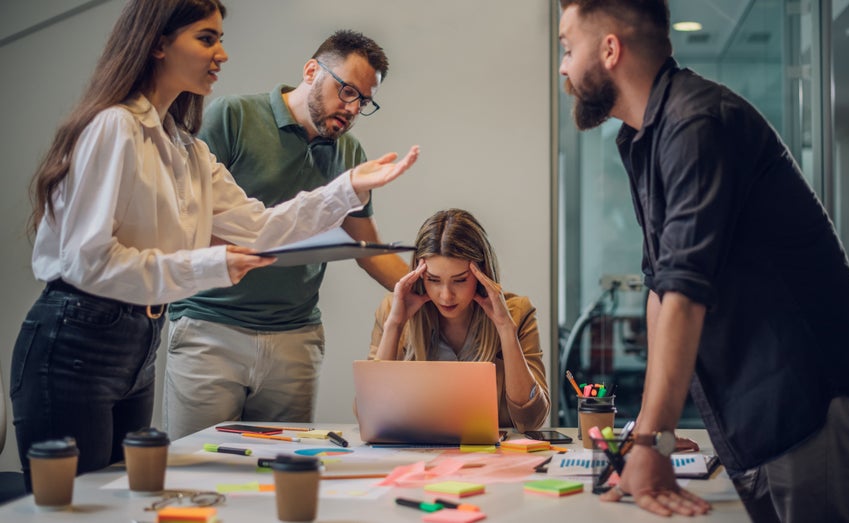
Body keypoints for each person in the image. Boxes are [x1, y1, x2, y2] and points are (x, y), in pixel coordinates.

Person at [10, 0, 418, 490]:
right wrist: (213, 265)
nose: (222, 53)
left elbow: (260, 228)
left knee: (123, 500)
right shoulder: (114, 126)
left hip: (137, 340)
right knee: (79, 505)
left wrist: (348, 186)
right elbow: (88, 262)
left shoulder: (186, 148)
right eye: (207, 39)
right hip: (76, 336)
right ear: (158, 43)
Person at [558, 1, 849, 521]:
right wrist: (652, 441)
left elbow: (686, 294)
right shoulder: (644, 137)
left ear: (609, 50)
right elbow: (661, 289)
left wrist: (651, 445)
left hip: (807, 391)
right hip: (753, 401)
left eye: (567, 47)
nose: (562, 66)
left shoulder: (697, 122)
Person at [164, 30, 409, 440]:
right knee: (196, 471)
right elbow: (187, 221)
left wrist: (424, 288)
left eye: (363, 101)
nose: (351, 109)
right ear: (312, 71)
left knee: (283, 476)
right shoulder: (232, 118)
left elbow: (367, 247)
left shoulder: (349, 153)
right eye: (346, 91)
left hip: (295, 337)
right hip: (211, 326)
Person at [369, 209, 549, 432]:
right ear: (418, 274)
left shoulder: (518, 313)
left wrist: (505, 329)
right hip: (415, 454)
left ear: (482, 273)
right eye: (433, 280)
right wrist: (394, 325)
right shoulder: (393, 311)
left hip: (492, 457)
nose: (446, 296)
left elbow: (531, 420)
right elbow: (371, 417)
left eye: (460, 280)